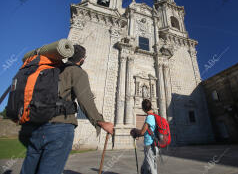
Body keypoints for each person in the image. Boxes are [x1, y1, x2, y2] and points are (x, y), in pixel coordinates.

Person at [19, 45, 114, 174]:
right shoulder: (77, 72)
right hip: (60, 128)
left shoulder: (51, 69)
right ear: (82, 59)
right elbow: (85, 99)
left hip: (37, 127)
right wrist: (100, 121)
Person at [130, 99, 159, 174]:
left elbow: (143, 131)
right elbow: (146, 131)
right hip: (153, 145)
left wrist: (135, 132)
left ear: (143, 108)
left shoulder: (149, 117)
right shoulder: (154, 116)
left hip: (150, 145)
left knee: (152, 169)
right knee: (145, 168)